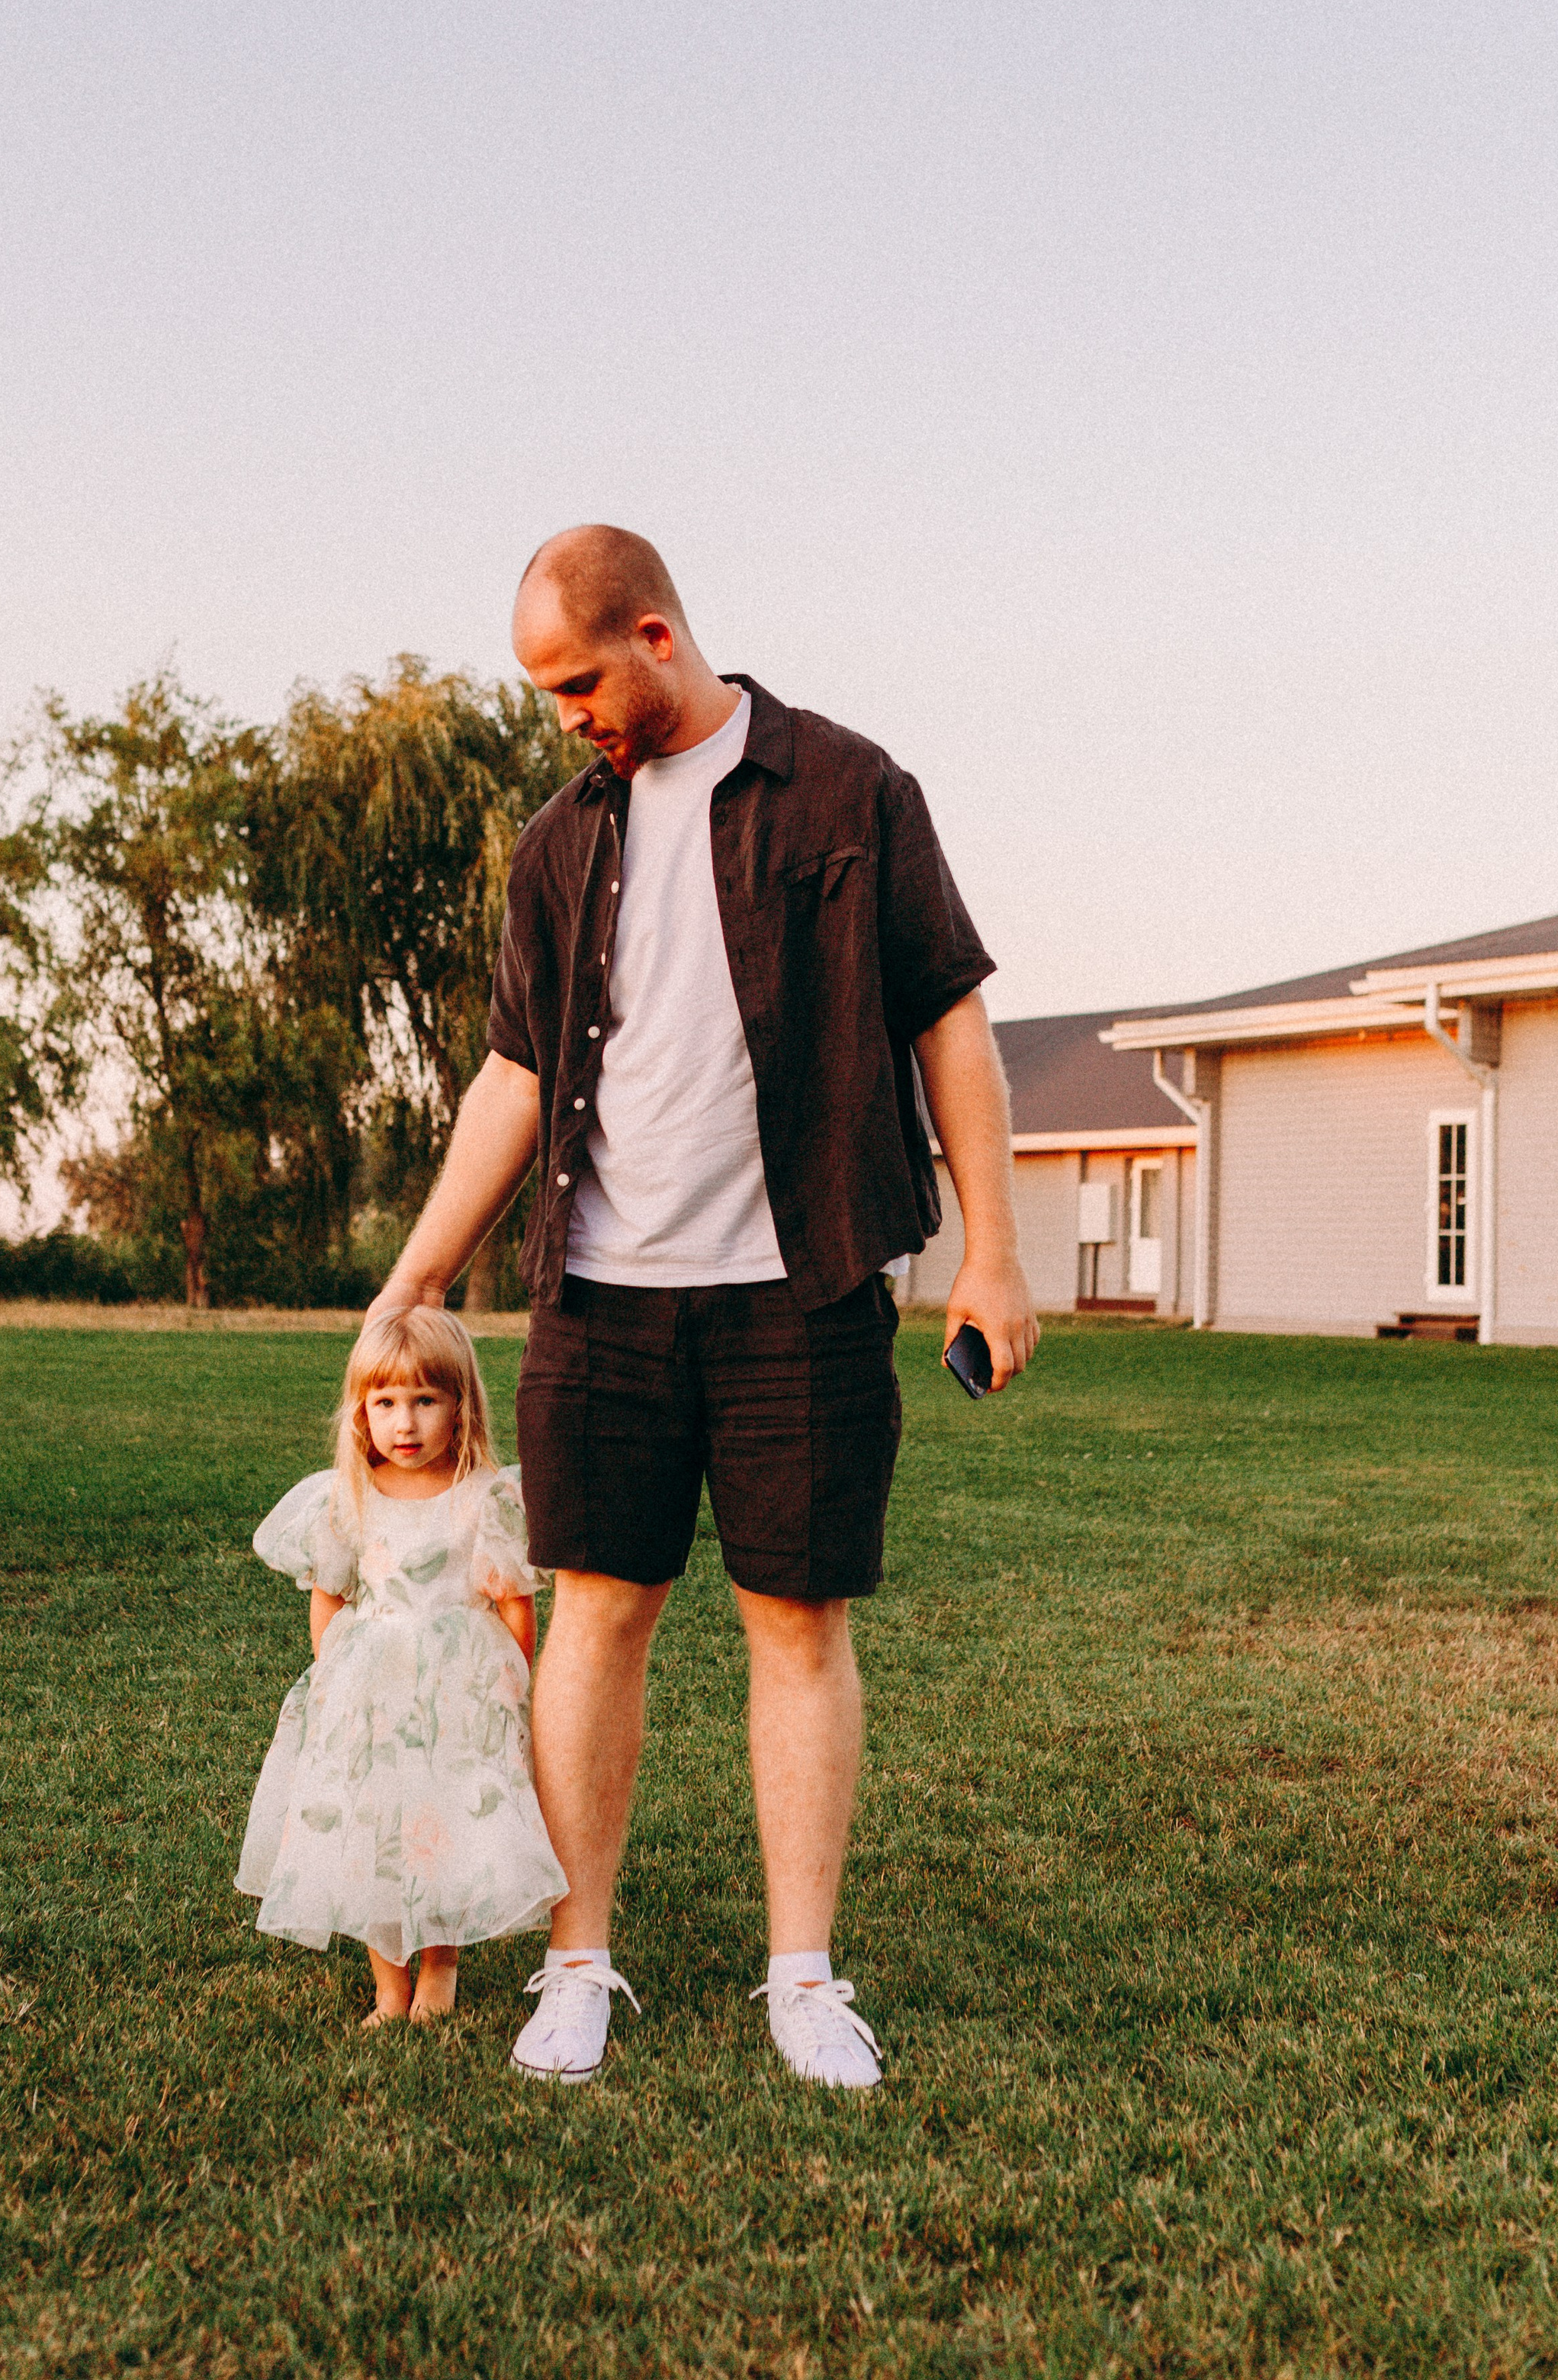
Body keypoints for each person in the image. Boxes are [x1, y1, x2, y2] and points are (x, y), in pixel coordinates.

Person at [367, 525, 1036, 2086]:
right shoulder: (556, 841)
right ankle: (575, 1962)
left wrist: (989, 1250)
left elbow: (944, 1016)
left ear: (656, 635)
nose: (567, 717)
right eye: (544, 693)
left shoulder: (848, 792)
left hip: (795, 1293)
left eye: (578, 681)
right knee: (593, 1615)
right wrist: (411, 1273)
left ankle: (800, 1974)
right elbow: (517, 1075)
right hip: (599, 1297)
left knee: (796, 1623)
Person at [235, 1305, 568, 2025]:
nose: (405, 1423)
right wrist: (333, 1674)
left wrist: (511, 1678)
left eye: (424, 1401)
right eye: (385, 1403)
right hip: (371, 1690)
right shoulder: (348, 1494)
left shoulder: (484, 1496)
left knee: (441, 1818)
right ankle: (390, 1983)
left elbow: (513, 1602)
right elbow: (329, 1595)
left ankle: (441, 1964)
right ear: (362, 1410)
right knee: (373, 1828)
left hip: (459, 1689)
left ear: (460, 1406)